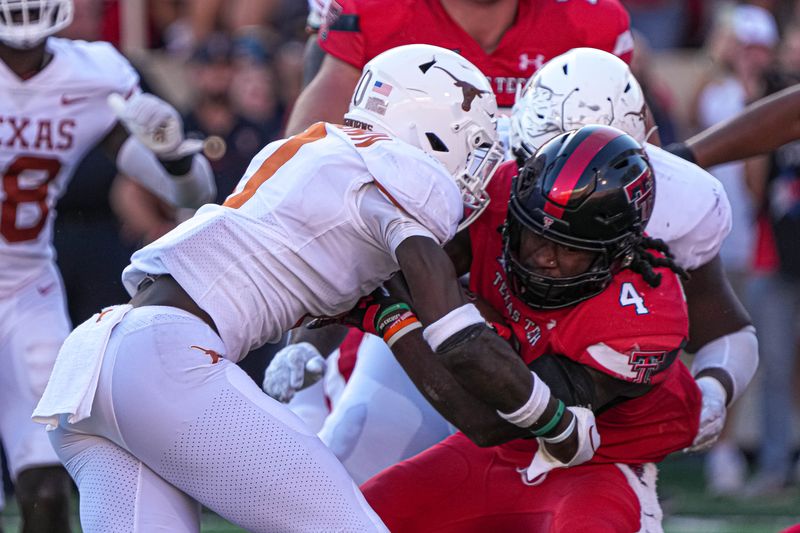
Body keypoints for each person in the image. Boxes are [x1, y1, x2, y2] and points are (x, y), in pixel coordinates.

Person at [32, 44, 583, 532]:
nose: (475, 168)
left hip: (93, 361)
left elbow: (413, 346)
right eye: (474, 145)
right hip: (163, 363)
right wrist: (550, 417)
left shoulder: (320, 160)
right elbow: (452, 330)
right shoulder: (399, 173)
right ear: (435, 129)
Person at [265, 47, 756, 485]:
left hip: (589, 426)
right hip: (463, 337)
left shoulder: (681, 216)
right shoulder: (491, 167)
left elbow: (500, 418)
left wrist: (714, 389)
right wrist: (312, 341)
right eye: (536, 164)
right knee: (348, 482)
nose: (544, 236)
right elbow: (383, 259)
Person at [357, 125, 700, 531]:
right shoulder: (502, 194)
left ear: (616, 255)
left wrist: (393, 315)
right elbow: (414, 269)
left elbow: (490, 418)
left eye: (570, 247)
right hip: (505, 451)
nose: (542, 257)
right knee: (352, 517)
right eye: (532, 234)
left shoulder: (644, 318)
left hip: (601, 462)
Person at [0, 1, 216, 531]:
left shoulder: (94, 74)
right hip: (32, 282)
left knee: (47, 483)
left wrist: (174, 156)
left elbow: (192, 192)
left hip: (27, 288)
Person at [285, 0, 633, 134]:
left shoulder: (591, 20)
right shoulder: (374, 10)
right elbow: (305, 150)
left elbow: (638, 157)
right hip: (397, 217)